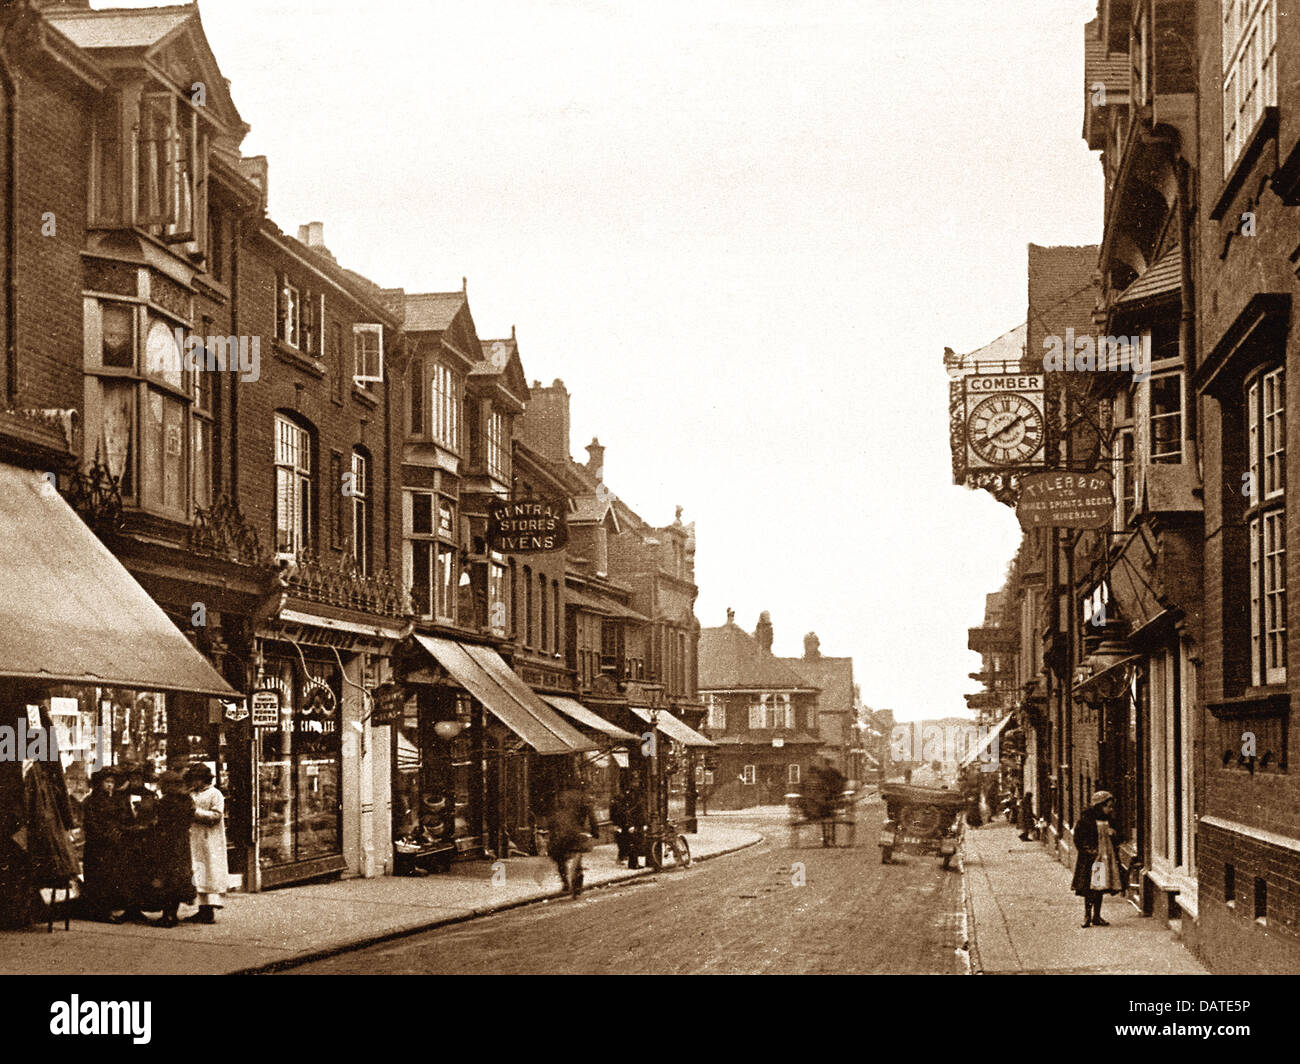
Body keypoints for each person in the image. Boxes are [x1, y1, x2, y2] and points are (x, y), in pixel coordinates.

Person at [141, 771, 197, 928]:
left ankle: (168, 915)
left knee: (167, 878)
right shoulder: (186, 800)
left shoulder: (167, 802)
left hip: (167, 844)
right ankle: (173, 913)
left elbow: (159, 823)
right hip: (181, 844)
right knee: (178, 879)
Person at [80, 766, 133, 923]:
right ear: (99, 783)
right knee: (99, 878)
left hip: (113, 844)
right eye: (107, 781)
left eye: (112, 782)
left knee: (111, 877)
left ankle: (107, 908)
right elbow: (90, 823)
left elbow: (123, 819)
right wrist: (106, 835)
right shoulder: (90, 801)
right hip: (98, 845)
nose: (110, 785)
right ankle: (100, 911)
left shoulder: (115, 800)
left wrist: (120, 832)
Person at [184, 764, 228, 924]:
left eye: (198, 779)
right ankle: (202, 908)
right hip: (194, 837)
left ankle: (208, 909)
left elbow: (216, 816)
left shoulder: (215, 794)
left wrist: (195, 813)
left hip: (209, 838)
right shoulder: (191, 793)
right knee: (199, 870)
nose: (195, 782)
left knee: (209, 869)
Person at [1072, 790, 1122, 928]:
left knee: (1099, 887)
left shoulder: (1110, 820)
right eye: (1108, 806)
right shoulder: (1086, 820)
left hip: (1105, 857)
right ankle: (1087, 916)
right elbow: (1078, 838)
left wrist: (1114, 834)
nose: (1110, 809)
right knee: (1090, 888)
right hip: (1091, 858)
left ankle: (1097, 916)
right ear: (1100, 805)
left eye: (1112, 807)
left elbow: (1120, 837)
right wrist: (1089, 850)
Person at [547, 784, 599, 897]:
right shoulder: (583, 798)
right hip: (576, 833)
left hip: (560, 833)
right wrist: (595, 831)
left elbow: (553, 815)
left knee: (560, 858)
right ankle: (577, 886)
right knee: (577, 857)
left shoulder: (561, 796)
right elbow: (592, 817)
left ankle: (565, 882)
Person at [612, 779, 647, 869]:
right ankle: (633, 863)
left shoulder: (627, 798)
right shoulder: (633, 799)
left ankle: (630, 861)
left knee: (631, 842)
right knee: (633, 843)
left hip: (630, 823)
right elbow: (633, 812)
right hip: (632, 823)